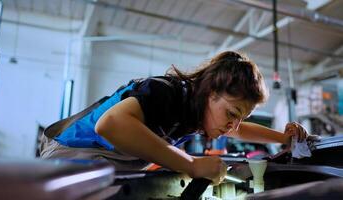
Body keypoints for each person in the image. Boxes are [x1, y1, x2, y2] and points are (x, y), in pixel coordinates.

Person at [40, 51, 316, 185]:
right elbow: (110, 124)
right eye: (232, 114)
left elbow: (239, 131)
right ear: (210, 92)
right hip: (73, 153)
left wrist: (283, 138)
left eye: (239, 118)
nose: (232, 124)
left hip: (111, 160)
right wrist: (191, 164)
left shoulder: (198, 112)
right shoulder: (165, 92)